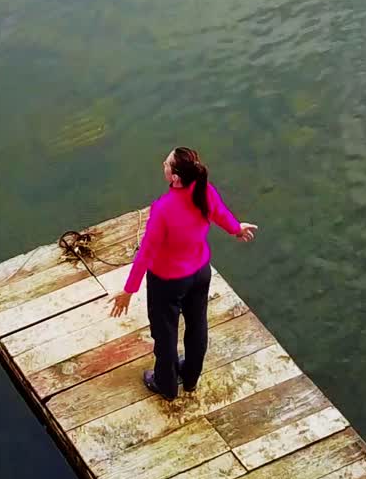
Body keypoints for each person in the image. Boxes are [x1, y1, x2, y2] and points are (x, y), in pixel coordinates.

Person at [110, 147, 257, 400]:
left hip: (168, 281)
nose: (163, 165)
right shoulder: (204, 191)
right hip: (200, 272)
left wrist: (129, 290)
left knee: (165, 335)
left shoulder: (163, 208)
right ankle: (190, 378)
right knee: (197, 324)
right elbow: (219, 213)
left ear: (175, 177)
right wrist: (236, 229)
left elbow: (146, 252)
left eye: (167, 163)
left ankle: (165, 385)